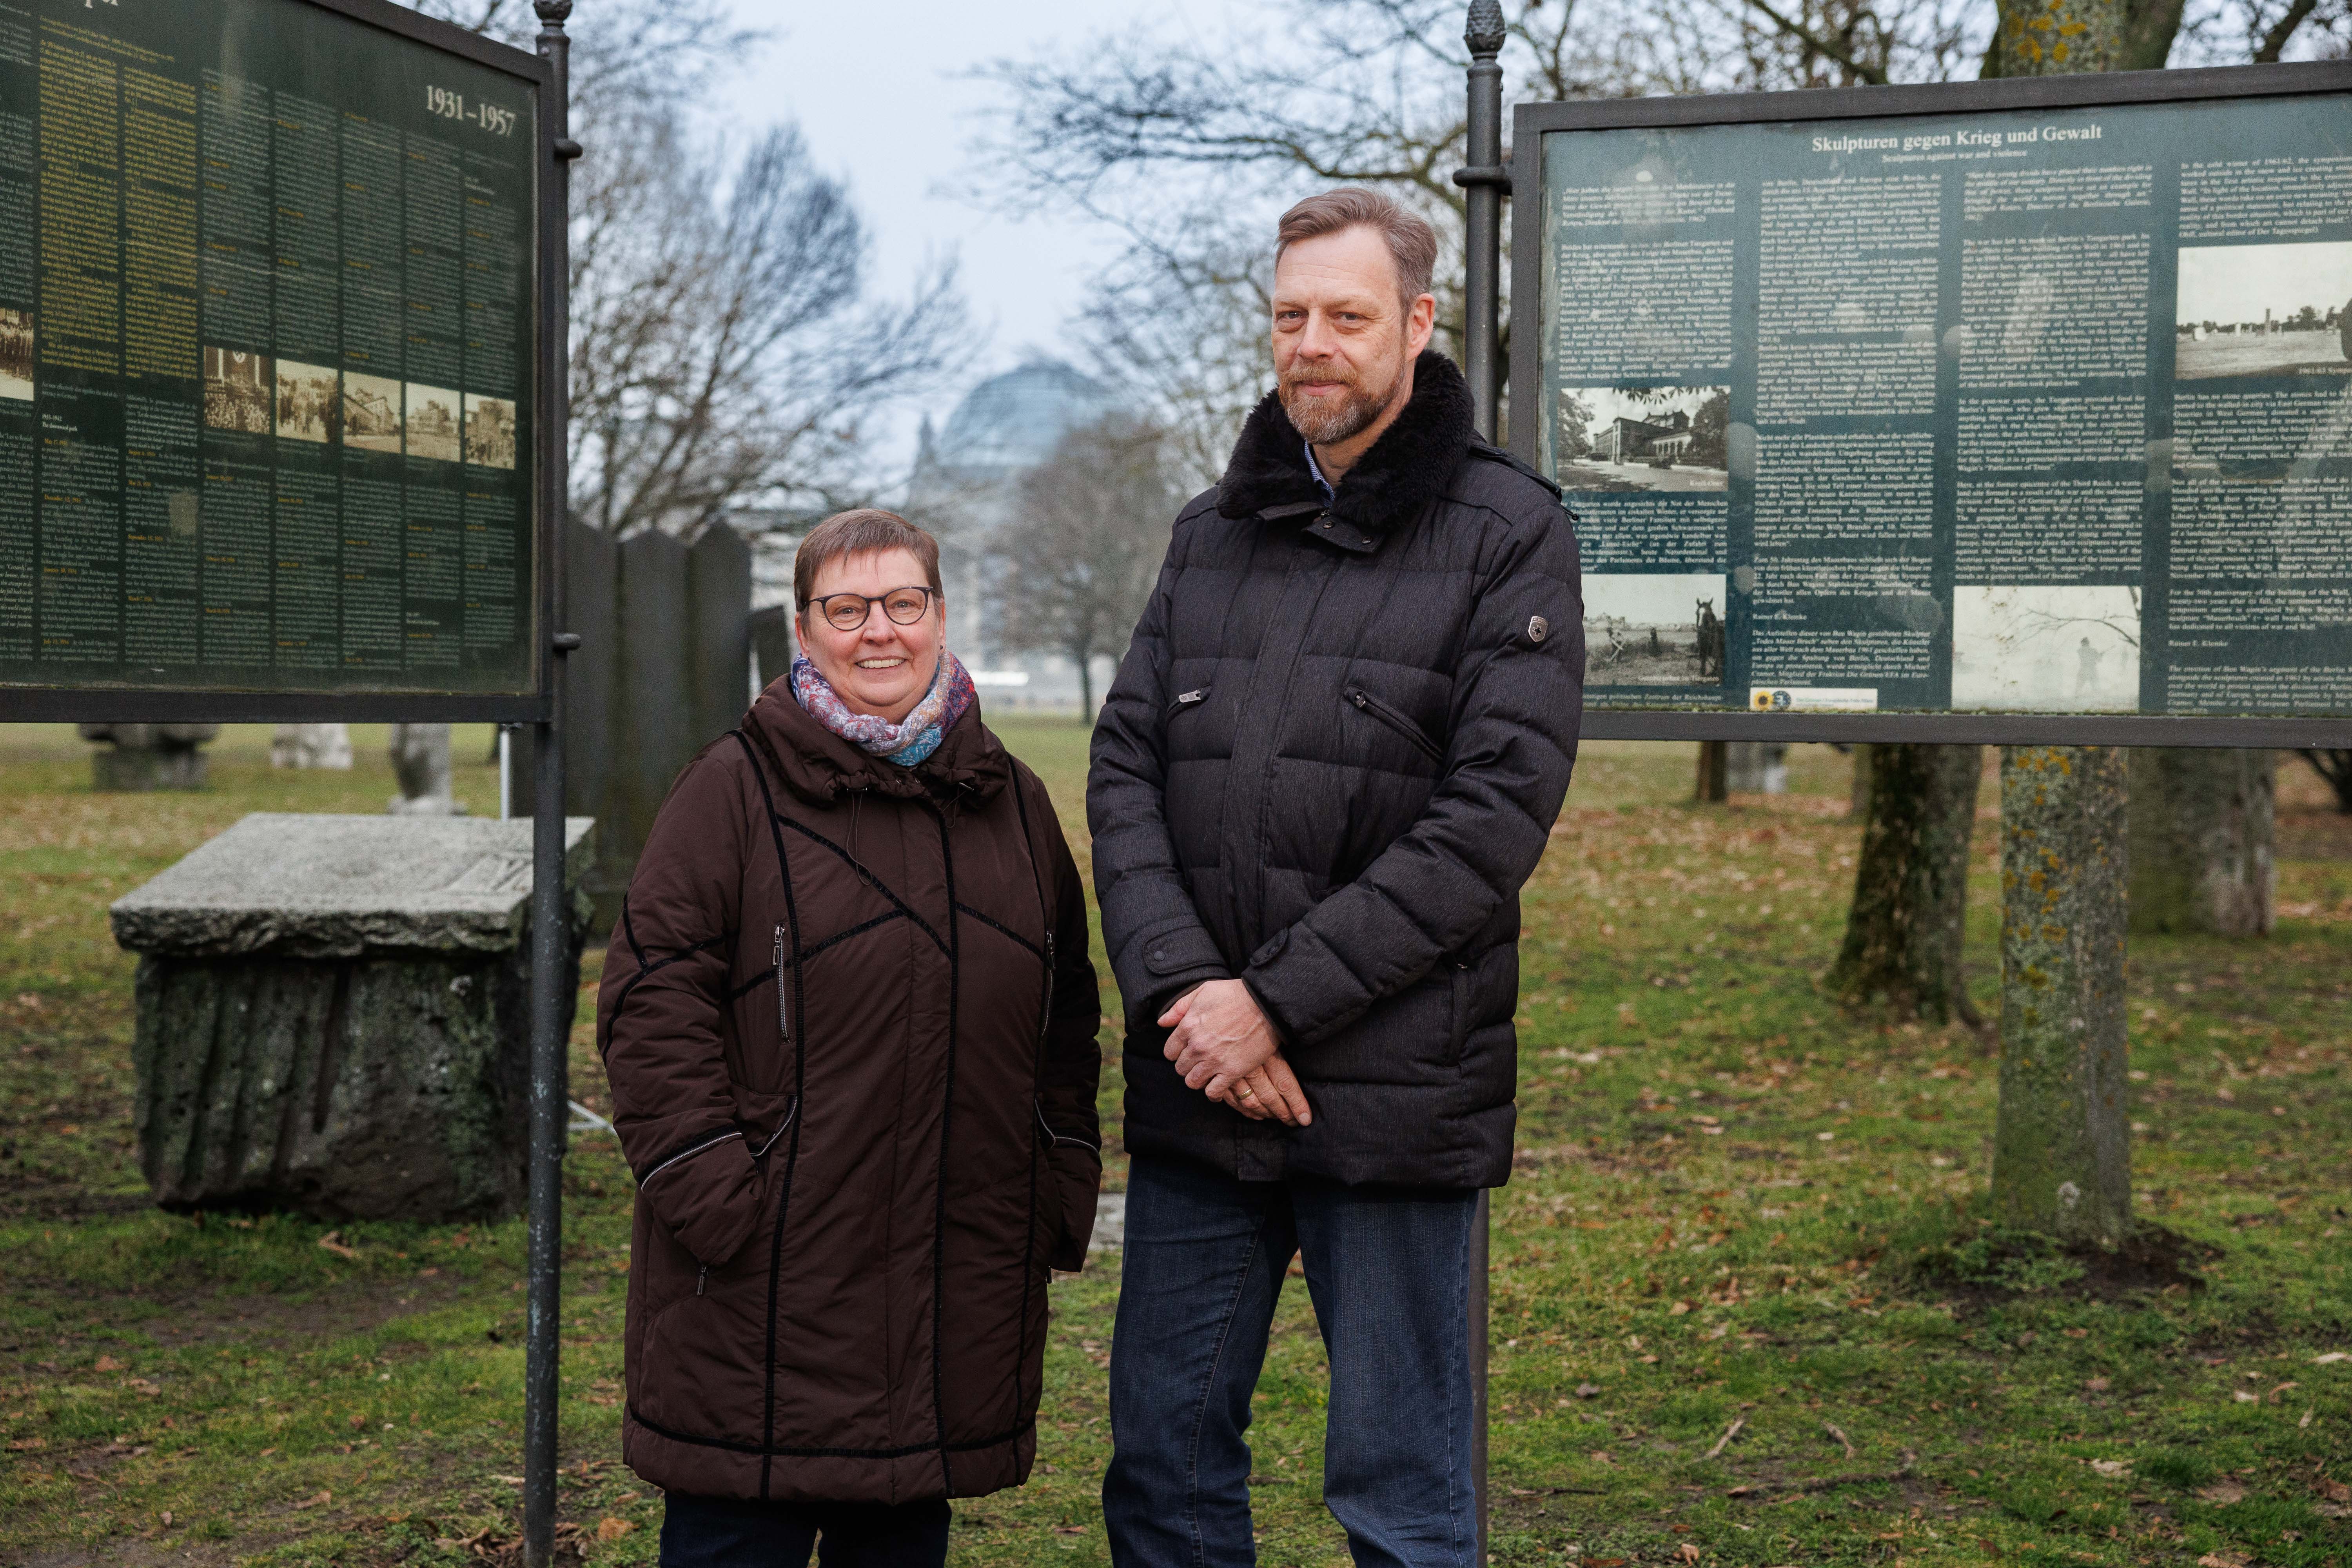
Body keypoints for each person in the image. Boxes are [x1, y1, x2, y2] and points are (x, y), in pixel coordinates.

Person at [1088, 187, 1586, 1566]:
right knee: (1165, 1469)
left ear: (1419, 328)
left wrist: (1278, 1007)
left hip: (1393, 1090)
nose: (1314, 343)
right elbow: (1125, 771)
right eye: (1290, 315)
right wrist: (1194, 994)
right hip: (1201, 1088)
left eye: (1348, 316)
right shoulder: (1210, 531)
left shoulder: (1506, 532)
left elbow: (1493, 818)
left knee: (1401, 1497)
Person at [599, 508, 1104, 1568]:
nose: (879, 631)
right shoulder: (731, 792)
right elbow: (651, 1004)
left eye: (902, 604)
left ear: (940, 615)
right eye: (846, 608)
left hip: (944, 1297)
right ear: (804, 630)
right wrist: (715, 1190)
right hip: (759, 1301)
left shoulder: (1011, 803)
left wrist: (1057, 1184)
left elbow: (1066, 1013)